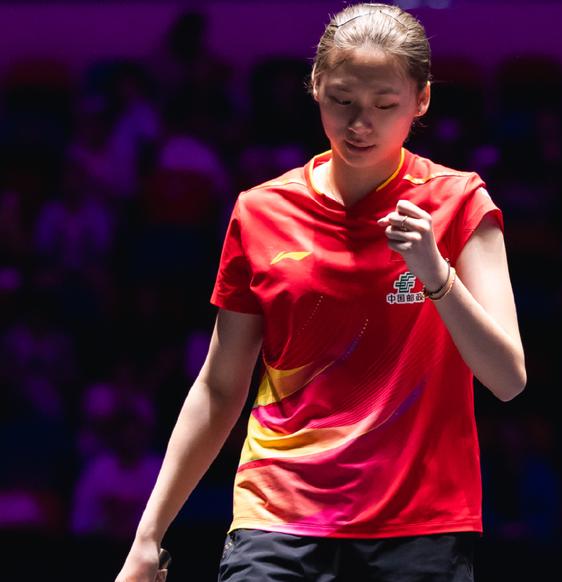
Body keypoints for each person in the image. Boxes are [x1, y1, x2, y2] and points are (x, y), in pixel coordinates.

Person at [116, 3, 526, 581]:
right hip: (278, 516)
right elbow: (220, 386)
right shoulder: (261, 211)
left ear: (421, 100)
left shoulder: (459, 203)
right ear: (315, 86)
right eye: (342, 100)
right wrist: (148, 536)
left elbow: (507, 379)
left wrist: (436, 274)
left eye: (384, 105)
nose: (360, 124)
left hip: (417, 524)